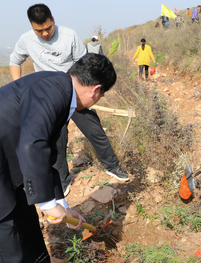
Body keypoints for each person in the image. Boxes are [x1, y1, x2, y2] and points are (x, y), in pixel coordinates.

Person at [0, 53, 116, 263]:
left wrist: (61, 204)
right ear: (96, 89)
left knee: (27, 228)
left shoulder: (59, 88)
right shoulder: (54, 91)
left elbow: (45, 152)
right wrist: (46, 203)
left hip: (7, 168)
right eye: (102, 95)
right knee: (10, 239)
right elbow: (32, 144)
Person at [9, 4, 129, 197]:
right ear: (32, 26)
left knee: (94, 129)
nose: (45, 33)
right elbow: (15, 61)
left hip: (76, 93)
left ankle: (112, 166)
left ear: (53, 19)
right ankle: (63, 180)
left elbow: (85, 65)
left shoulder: (69, 36)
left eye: (48, 28)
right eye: (39, 30)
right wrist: (18, 85)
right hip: (50, 98)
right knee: (57, 139)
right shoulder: (26, 40)